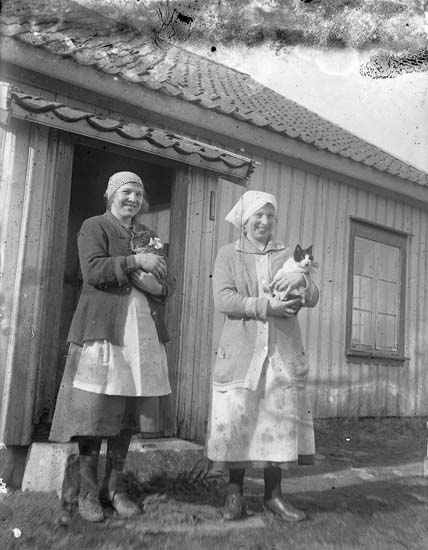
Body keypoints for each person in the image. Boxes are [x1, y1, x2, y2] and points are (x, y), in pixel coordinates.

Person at [49, 171, 172, 522]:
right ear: (111, 195)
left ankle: (114, 489)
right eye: (126, 192)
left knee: (127, 414)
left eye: (138, 194)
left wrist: (157, 286)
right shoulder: (95, 226)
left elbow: (167, 282)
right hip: (104, 330)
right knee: (94, 411)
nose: (132, 199)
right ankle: (87, 493)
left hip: (141, 334)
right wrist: (137, 262)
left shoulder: (148, 235)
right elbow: (92, 271)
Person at [206, 190, 319, 522]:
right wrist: (267, 306)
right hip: (242, 353)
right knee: (238, 420)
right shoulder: (228, 254)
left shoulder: (287, 254)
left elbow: (313, 296)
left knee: (278, 422)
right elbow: (224, 300)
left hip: (281, 352)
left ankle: (274, 496)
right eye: (258, 215)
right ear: (244, 220)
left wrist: (302, 283)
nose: (265, 222)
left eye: (270, 216)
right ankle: (234, 496)